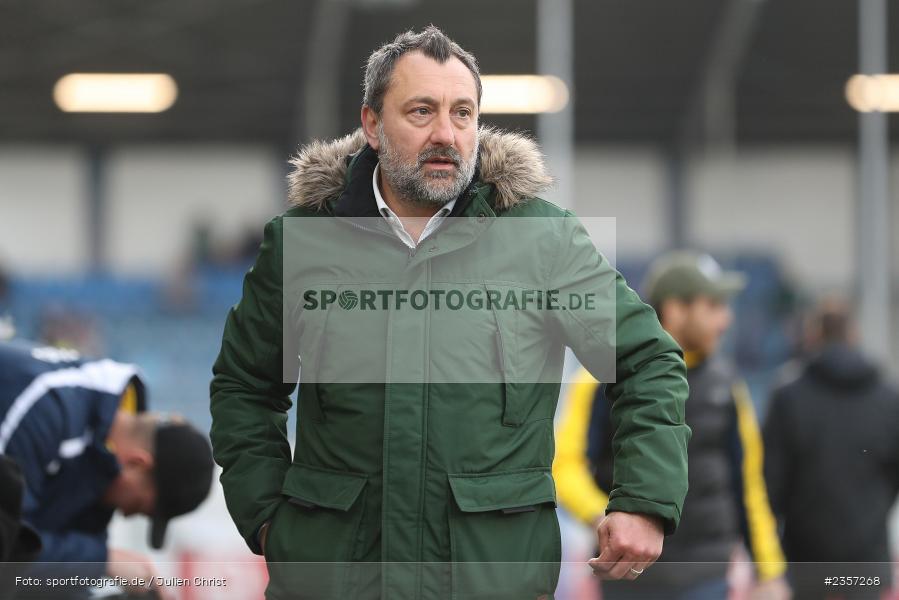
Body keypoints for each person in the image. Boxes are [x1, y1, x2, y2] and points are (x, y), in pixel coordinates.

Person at [210, 26, 690, 600]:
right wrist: (268, 517)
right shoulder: (302, 243)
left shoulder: (543, 240)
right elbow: (244, 385)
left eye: (463, 113)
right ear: (371, 124)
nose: (446, 133)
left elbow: (647, 361)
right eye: (421, 111)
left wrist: (644, 500)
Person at [554, 251, 790, 600]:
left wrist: (769, 570)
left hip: (707, 579)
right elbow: (565, 465)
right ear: (675, 310)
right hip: (629, 581)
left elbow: (748, 484)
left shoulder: (727, 385)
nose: (725, 320)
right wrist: (604, 519)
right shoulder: (599, 377)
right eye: (713, 306)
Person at [0, 339, 214, 599]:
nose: (125, 514)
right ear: (137, 463)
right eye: (137, 505)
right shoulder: (46, 410)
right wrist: (103, 562)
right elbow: (9, 559)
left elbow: (44, 577)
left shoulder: (100, 453)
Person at [763, 298, 899, 600]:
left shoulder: (788, 396)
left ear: (813, 336)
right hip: (868, 562)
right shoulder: (889, 399)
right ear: (853, 335)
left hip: (806, 562)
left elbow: (770, 483)